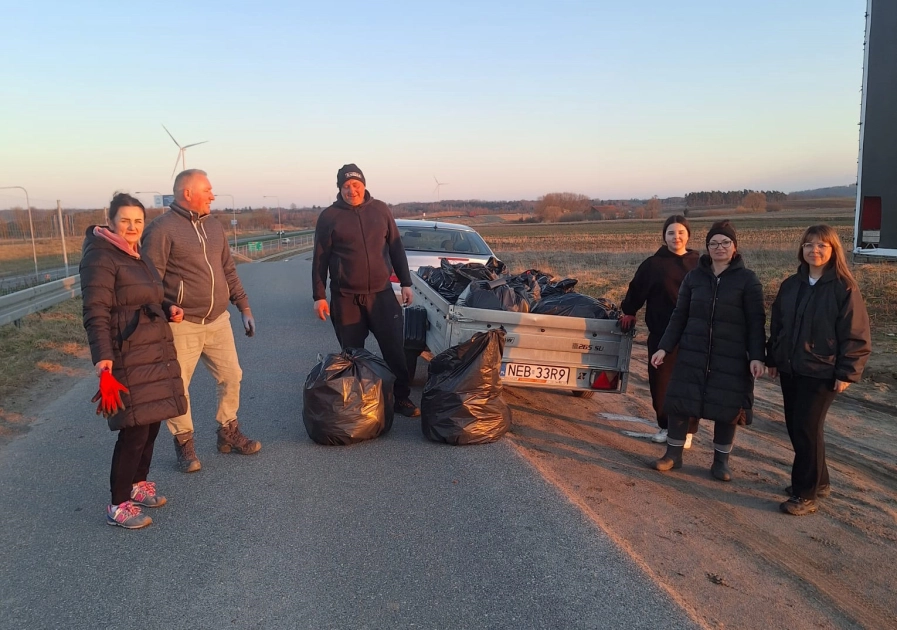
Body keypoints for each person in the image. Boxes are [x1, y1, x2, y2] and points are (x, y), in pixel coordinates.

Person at [141, 169, 260, 473]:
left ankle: (227, 432)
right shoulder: (161, 229)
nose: (213, 195)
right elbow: (148, 280)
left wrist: (244, 307)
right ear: (187, 193)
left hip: (218, 320)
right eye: (207, 190)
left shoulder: (215, 227)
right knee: (178, 386)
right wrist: (167, 306)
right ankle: (184, 443)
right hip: (182, 324)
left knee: (232, 375)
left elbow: (228, 270)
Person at [80, 193, 187, 529]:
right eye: (125, 220)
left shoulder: (134, 254)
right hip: (127, 355)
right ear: (110, 221)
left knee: (152, 422)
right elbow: (95, 311)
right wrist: (103, 360)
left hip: (152, 350)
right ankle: (117, 504)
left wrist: (168, 306)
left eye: (138, 221)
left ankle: (138, 484)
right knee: (134, 430)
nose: (132, 226)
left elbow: (149, 293)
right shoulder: (101, 255)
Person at [767, 225, 871, 516]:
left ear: (833, 250)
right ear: (801, 250)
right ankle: (820, 482)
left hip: (822, 371)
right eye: (809, 245)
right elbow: (779, 326)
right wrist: (773, 358)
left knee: (805, 431)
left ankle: (804, 494)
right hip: (791, 369)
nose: (815, 250)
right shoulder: (791, 285)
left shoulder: (844, 288)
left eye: (822, 245)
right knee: (799, 428)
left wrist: (847, 372)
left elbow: (856, 333)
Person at [650, 220, 766, 481]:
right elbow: (679, 315)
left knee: (727, 408)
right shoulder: (695, 277)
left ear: (734, 247)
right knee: (681, 402)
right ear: (707, 247)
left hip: (731, 356)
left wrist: (757, 356)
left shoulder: (747, 280)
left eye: (725, 242)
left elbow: (756, 321)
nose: (719, 247)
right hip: (693, 351)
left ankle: (720, 463)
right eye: (713, 243)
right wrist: (664, 348)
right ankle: (673, 455)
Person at [312, 163, 420, 417]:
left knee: (395, 350)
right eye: (346, 186)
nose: (352, 190)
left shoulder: (381, 210)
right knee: (352, 355)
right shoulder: (329, 217)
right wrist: (319, 296)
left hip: (381, 294)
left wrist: (406, 282)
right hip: (345, 298)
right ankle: (360, 403)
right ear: (340, 189)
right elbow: (320, 259)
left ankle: (401, 398)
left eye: (356, 185)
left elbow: (396, 248)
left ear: (364, 185)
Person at [620, 215, 700, 447]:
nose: (676, 237)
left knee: (690, 383)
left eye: (681, 232)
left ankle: (686, 432)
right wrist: (629, 311)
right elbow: (636, 290)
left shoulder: (699, 264)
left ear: (688, 235)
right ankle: (666, 427)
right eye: (671, 233)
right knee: (661, 382)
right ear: (664, 237)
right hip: (661, 333)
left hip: (693, 334)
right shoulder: (653, 264)